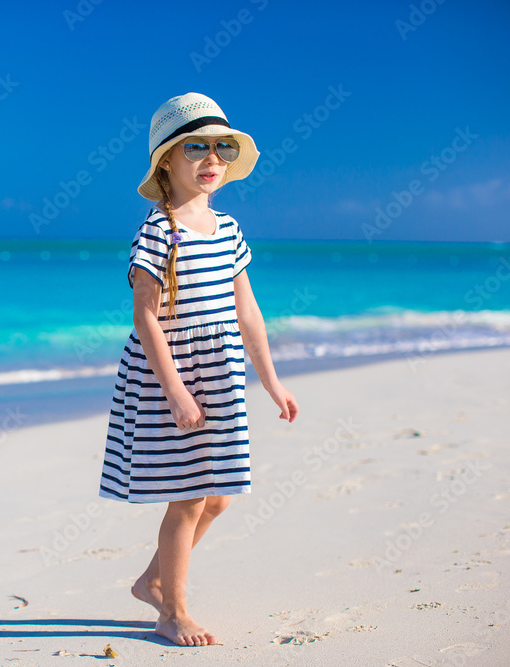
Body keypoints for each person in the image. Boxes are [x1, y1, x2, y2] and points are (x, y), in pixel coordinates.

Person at [98, 93, 299, 647]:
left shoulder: (229, 229)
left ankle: (151, 581)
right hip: (172, 375)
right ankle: (173, 612)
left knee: (219, 497)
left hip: (221, 371)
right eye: (196, 147)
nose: (211, 157)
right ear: (167, 159)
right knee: (188, 496)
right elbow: (144, 316)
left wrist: (272, 381)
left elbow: (248, 312)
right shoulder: (160, 230)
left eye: (222, 147)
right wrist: (177, 392)